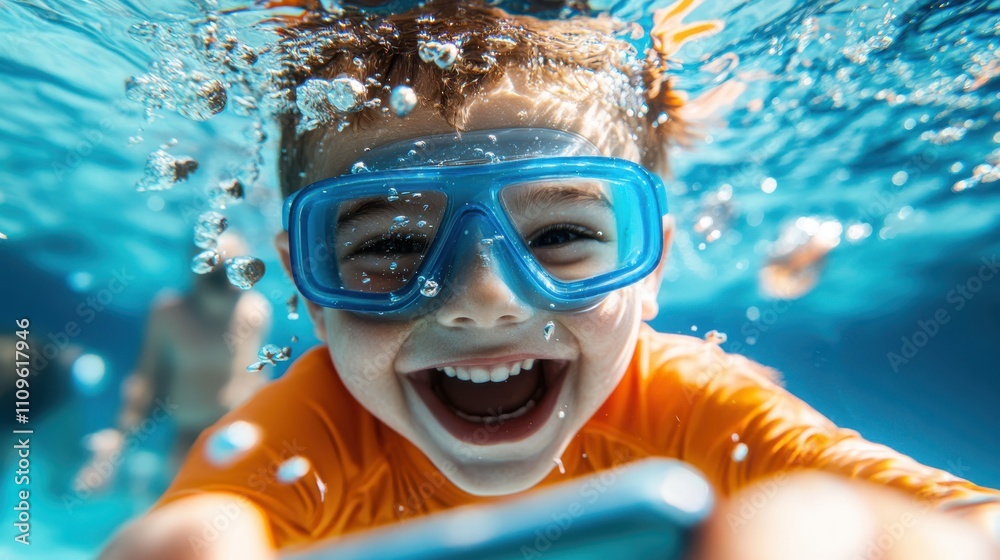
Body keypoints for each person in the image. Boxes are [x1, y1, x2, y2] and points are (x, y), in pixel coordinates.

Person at [101, 2, 1000, 559]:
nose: (484, 294)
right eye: (391, 250)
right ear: (307, 283)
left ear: (649, 274)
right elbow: (209, 527)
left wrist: (891, 539)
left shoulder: (689, 408)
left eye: (565, 235)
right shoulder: (307, 436)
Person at [75, 233, 272, 495]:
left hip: (237, 428)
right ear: (196, 272)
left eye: (243, 273)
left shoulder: (255, 311)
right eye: (222, 274)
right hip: (188, 434)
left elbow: (256, 376)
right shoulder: (170, 313)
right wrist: (115, 444)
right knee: (181, 501)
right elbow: (147, 380)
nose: (233, 284)